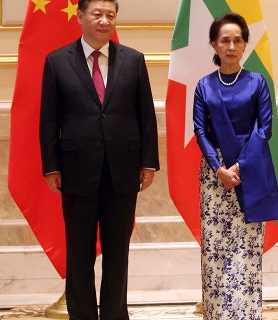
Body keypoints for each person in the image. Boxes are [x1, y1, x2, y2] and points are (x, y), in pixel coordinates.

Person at [39, 0, 159, 319]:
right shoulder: (57, 61)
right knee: (79, 252)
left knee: (117, 251)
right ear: (80, 18)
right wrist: (51, 166)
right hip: (76, 170)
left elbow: (146, 115)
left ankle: (115, 314)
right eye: (97, 14)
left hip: (123, 170)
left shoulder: (133, 60)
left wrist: (148, 162)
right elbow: (49, 119)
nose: (104, 21)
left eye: (110, 15)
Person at [192, 12, 278, 320]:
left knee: (246, 247)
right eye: (224, 40)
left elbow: (264, 129)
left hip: (251, 170)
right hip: (215, 174)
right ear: (214, 45)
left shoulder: (257, 82)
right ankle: (217, 314)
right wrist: (220, 169)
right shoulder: (204, 86)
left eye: (238, 40)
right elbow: (200, 131)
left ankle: (247, 314)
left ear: (245, 44)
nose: (231, 46)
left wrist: (240, 167)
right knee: (216, 248)